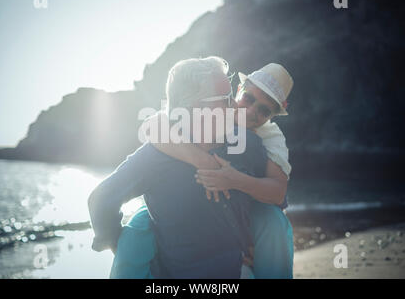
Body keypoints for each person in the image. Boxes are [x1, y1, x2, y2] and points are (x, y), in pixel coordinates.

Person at [110, 62, 295, 278]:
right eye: (249, 99)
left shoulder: (270, 138)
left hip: (245, 203)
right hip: (187, 205)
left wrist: (235, 181)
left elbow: (277, 192)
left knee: (273, 221)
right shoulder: (212, 112)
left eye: (264, 110)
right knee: (139, 225)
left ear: (274, 114)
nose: (252, 110)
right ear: (238, 90)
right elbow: (154, 125)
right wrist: (202, 160)